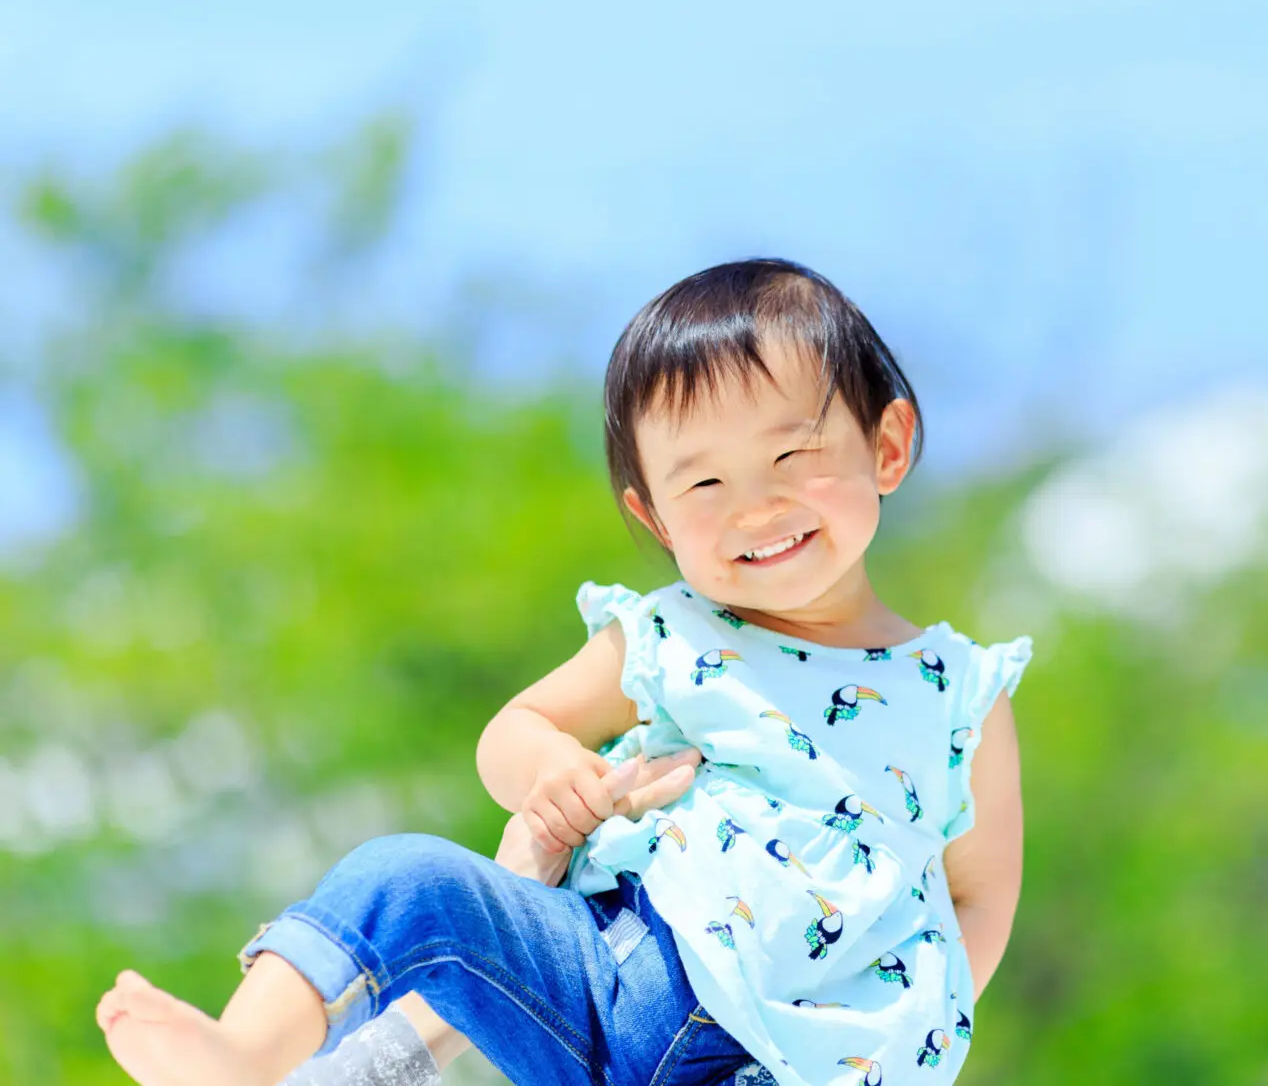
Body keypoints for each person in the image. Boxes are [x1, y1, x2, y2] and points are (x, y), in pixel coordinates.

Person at [95, 258, 1031, 1086]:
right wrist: (555, 776)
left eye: (792, 453)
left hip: (793, 1061)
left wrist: (909, 1036)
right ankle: (243, 1059)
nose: (756, 506)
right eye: (704, 484)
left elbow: (977, 897)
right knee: (405, 875)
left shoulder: (959, 692)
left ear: (889, 447)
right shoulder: (672, 638)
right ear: (657, 518)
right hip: (605, 977)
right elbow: (514, 730)